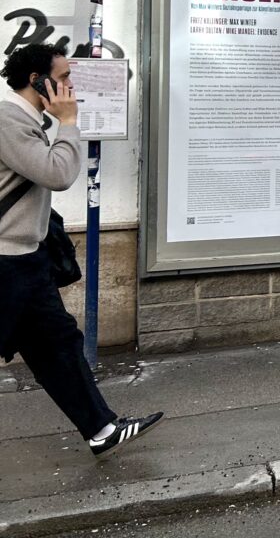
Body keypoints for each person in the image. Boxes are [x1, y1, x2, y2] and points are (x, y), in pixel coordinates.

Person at [0, 43, 163, 458]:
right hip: (6, 265)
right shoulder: (8, 121)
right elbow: (57, 173)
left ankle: (101, 428)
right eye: (65, 77)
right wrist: (69, 122)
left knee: (58, 344)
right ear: (39, 82)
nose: (72, 86)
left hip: (26, 260)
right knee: (56, 343)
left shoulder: (27, 120)